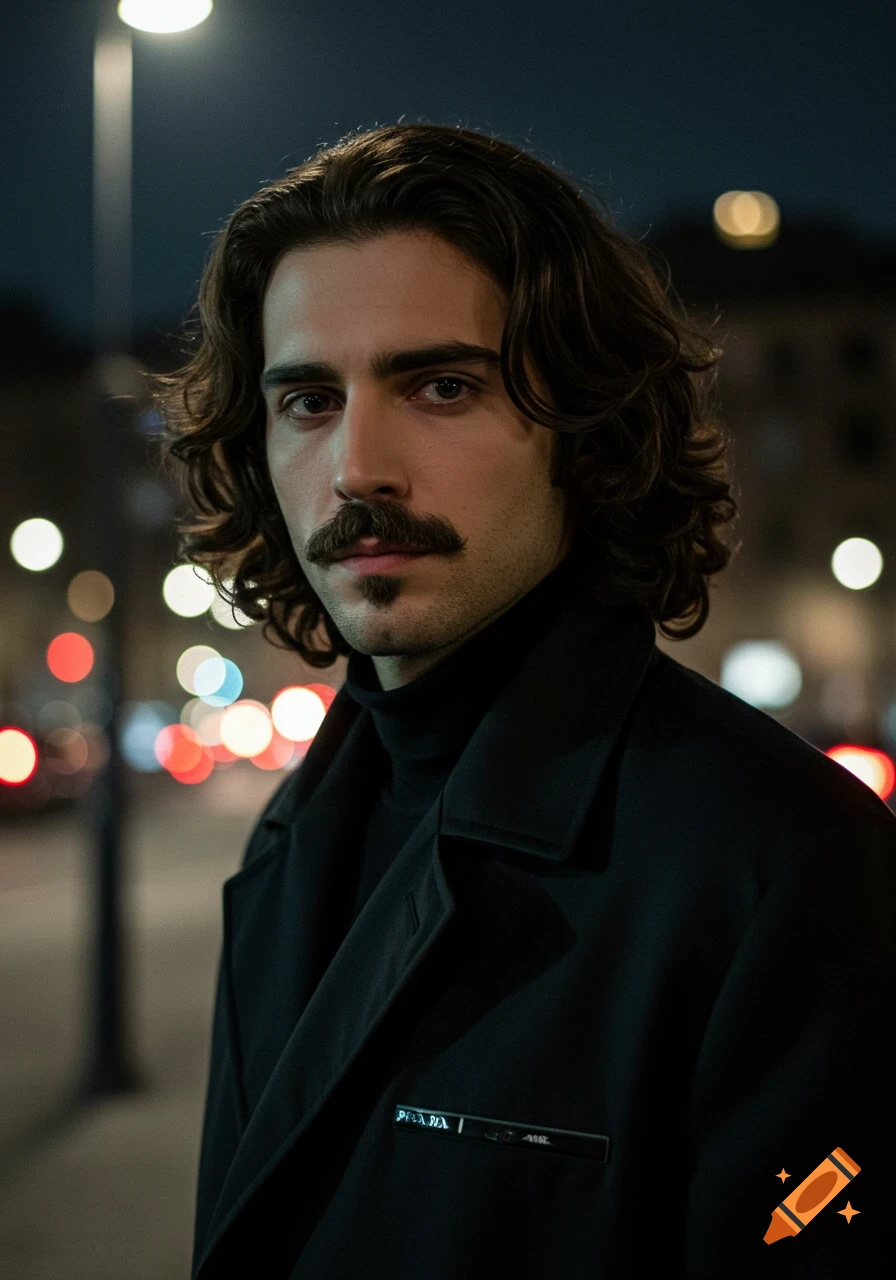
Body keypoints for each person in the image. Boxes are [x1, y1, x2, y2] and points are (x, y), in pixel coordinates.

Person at [151, 122, 894, 1279]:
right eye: (306, 400)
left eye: (440, 386)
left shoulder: (781, 864)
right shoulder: (296, 834)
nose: (356, 466)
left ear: (587, 434)